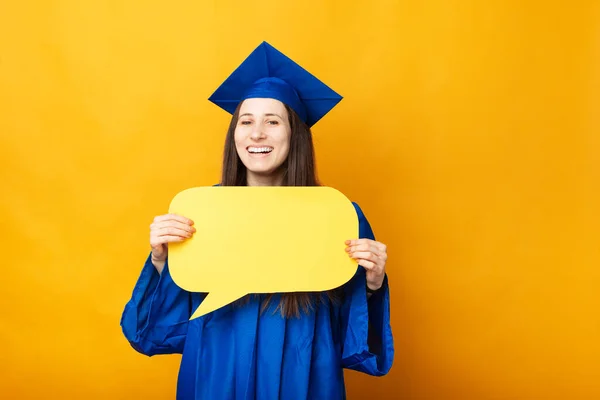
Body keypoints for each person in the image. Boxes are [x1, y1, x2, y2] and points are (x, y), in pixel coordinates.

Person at [121, 41, 394, 400]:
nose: (257, 134)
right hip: (216, 377)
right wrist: (160, 261)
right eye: (245, 122)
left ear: (294, 135)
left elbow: (353, 338)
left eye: (272, 121)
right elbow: (155, 332)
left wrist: (371, 284)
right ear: (234, 134)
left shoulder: (337, 215)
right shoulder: (202, 213)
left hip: (303, 378)